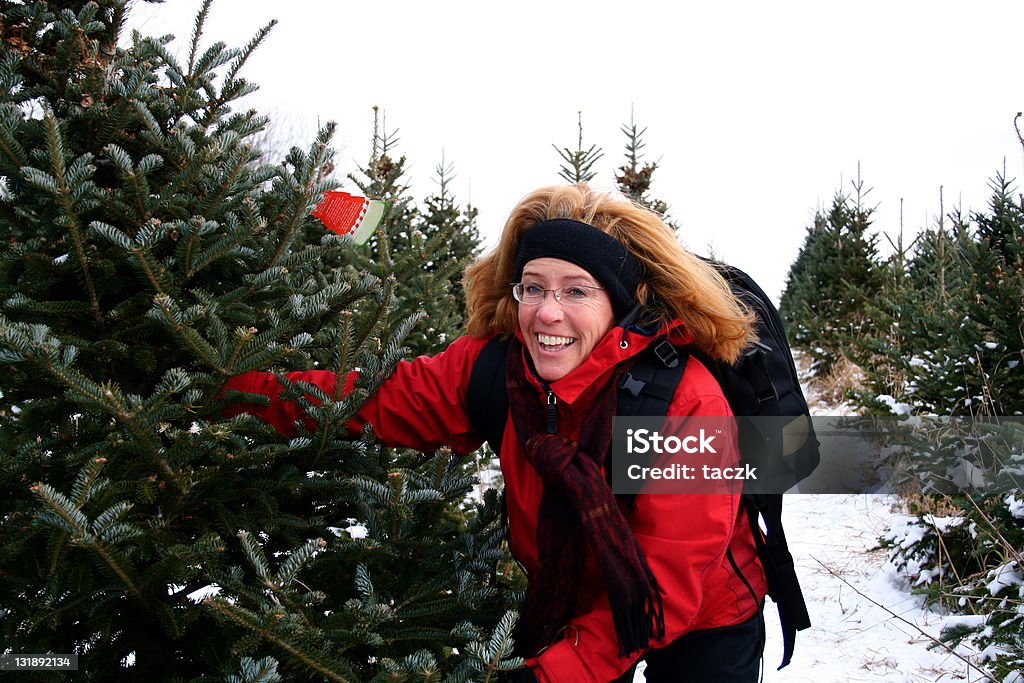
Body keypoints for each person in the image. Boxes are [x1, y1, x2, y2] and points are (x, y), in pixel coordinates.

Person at [224, 183, 768, 682]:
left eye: (577, 292)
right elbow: (369, 400)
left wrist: (549, 676)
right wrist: (230, 387)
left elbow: (669, 576)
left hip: (704, 611)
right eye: (533, 288)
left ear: (619, 304)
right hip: (573, 603)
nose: (548, 313)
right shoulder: (494, 372)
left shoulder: (682, 402)